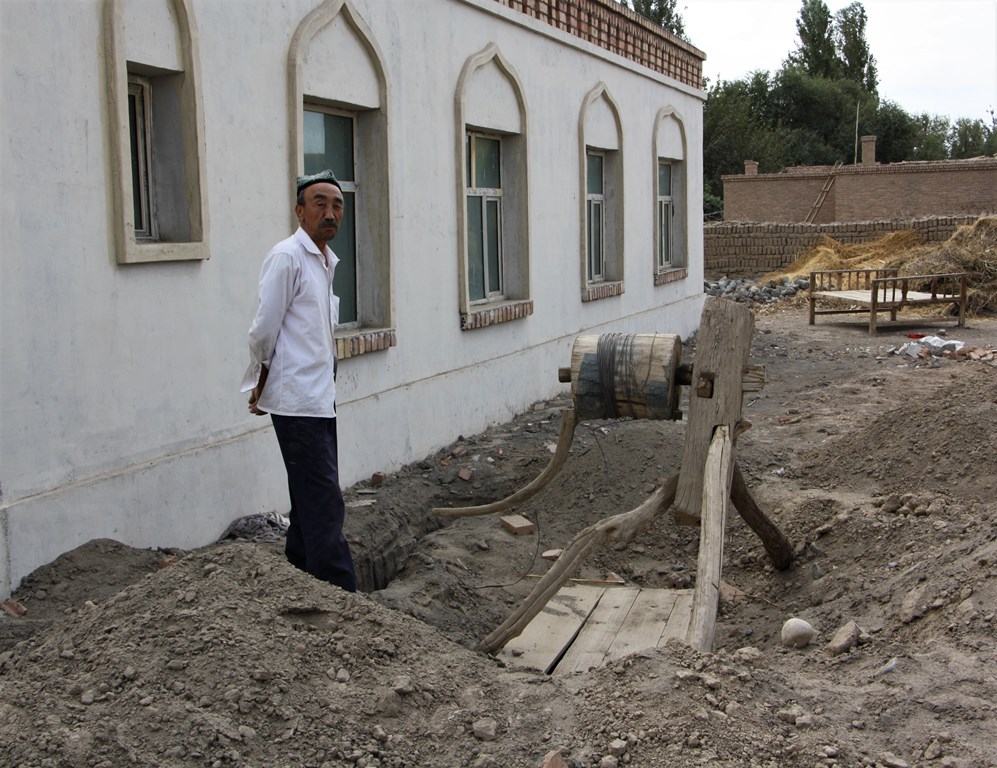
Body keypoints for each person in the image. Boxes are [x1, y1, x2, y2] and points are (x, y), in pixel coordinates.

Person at [240, 169, 357, 592]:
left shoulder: (324, 261)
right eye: (320, 203)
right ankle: (342, 595)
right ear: (300, 210)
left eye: (337, 205)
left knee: (309, 497)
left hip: (318, 399)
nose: (330, 212)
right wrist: (261, 377)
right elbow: (263, 329)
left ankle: (299, 575)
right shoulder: (288, 257)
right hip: (297, 403)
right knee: (325, 501)